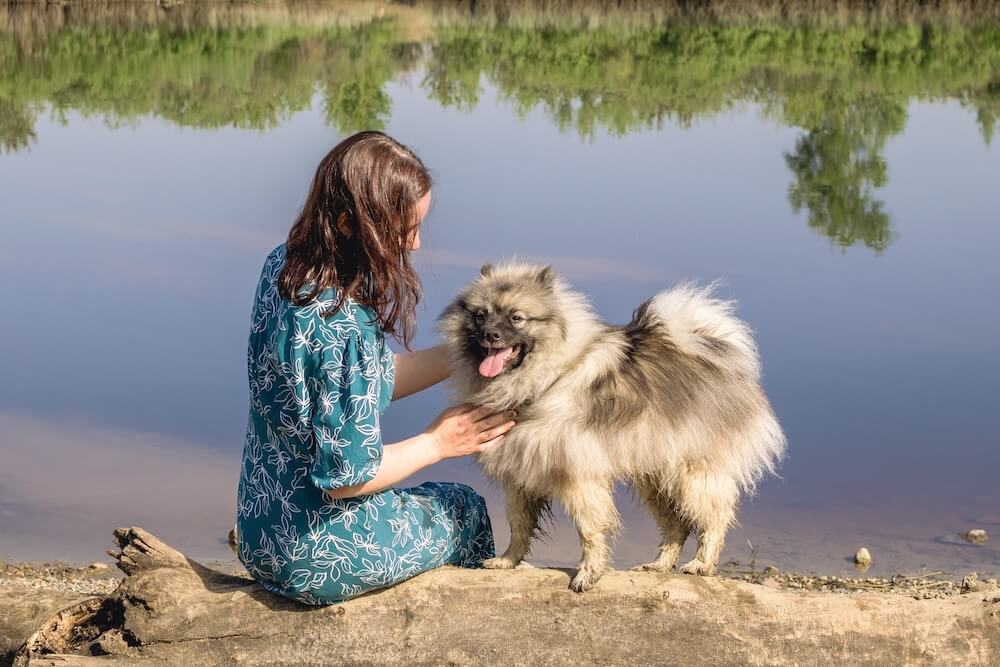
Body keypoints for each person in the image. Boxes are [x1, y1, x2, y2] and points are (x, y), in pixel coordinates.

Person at [235, 131, 516, 604]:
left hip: (261, 528)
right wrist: (439, 442)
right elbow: (348, 479)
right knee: (464, 509)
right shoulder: (344, 326)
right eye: (404, 229)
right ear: (349, 223)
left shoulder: (284, 268)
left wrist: (466, 353)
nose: (415, 243)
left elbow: (347, 387)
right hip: (319, 553)